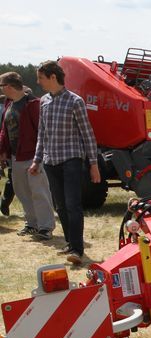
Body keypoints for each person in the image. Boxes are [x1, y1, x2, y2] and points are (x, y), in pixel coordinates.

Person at [30, 61, 100, 265]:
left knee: (72, 204)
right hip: (51, 161)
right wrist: (37, 160)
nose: (38, 82)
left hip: (71, 159)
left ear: (53, 77)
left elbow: (88, 134)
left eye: (41, 77)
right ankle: (70, 243)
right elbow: (41, 134)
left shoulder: (75, 101)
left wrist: (93, 164)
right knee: (60, 205)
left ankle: (78, 249)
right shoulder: (43, 102)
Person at [0, 73, 56, 240]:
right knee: (22, 192)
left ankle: (45, 227)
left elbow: (43, 132)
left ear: (9, 86)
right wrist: (3, 150)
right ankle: (31, 224)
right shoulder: (9, 103)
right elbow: (5, 130)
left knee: (39, 192)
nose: (1, 89)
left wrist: (39, 158)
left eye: (2, 86)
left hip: (33, 156)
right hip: (16, 157)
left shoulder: (34, 104)